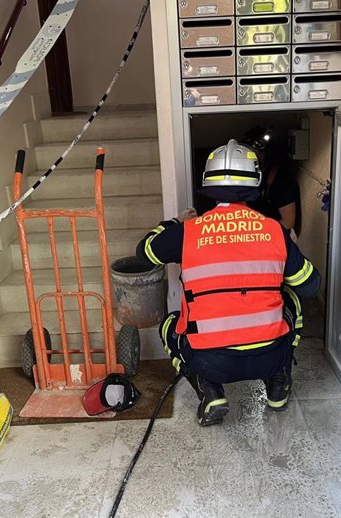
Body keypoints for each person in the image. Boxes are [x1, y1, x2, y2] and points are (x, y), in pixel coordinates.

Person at [135, 139, 320, 427]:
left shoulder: (188, 232)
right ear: (255, 182)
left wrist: (174, 223)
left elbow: (144, 253)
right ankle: (277, 384)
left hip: (211, 361)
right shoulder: (274, 230)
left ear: (208, 183)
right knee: (292, 301)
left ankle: (210, 392)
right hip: (269, 355)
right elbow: (310, 286)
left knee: (170, 325)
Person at [242, 126, 301, 237]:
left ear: (267, 154)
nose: (253, 157)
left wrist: (259, 236)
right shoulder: (244, 177)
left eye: (258, 153)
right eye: (250, 153)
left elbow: (288, 222)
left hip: (271, 237)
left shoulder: (280, 181)